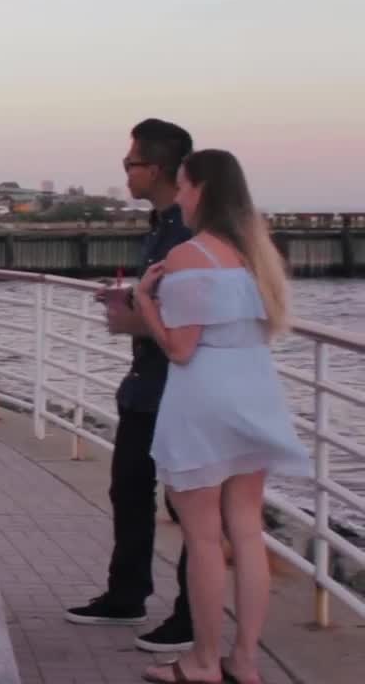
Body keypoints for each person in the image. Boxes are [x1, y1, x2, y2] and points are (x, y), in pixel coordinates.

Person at [134, 150, 308, 684]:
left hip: (204, 401)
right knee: (247, 532)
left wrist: (145, 301)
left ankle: (204, 662)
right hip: (255, 398)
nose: (180, 197)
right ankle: (246, 660)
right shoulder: (258, 255)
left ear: (202, 190)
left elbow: (181, 349)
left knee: (204, 538)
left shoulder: (189, 257)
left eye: (184, 187)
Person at [65, 119, 196, 653]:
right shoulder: (160, 224)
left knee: (188, 503)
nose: (125, 174)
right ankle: (127, 595)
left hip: (178, 388)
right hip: (145, 385)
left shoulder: (187, 230)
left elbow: (189, 318)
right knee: (129, 490)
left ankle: (190, 615)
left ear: (156, 168)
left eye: (130, 165)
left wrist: (130, 315)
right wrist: (130, 300)